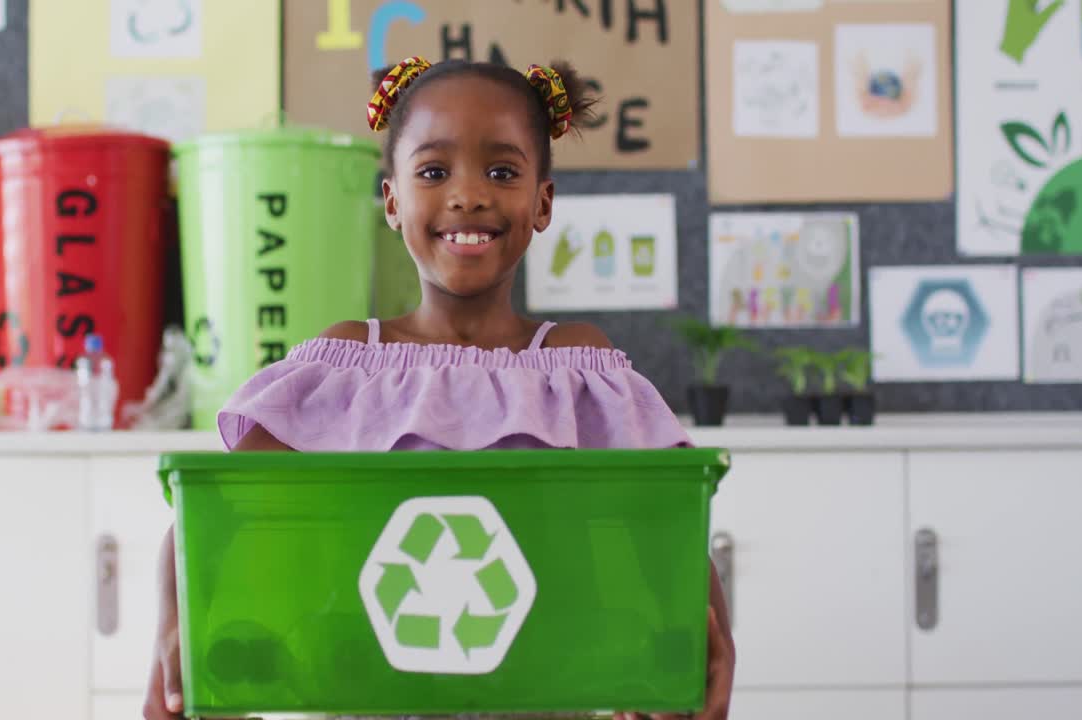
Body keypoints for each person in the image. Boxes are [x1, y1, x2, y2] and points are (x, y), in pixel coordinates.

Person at [143, 56, 734, 720]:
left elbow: (671, 525)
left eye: (502, 172)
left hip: (546, 702)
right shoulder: (344, 371)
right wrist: (175, 631)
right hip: (366, 698)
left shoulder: (579, 373)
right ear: (392, 201)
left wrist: (697, 646)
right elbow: (211, 516)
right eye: (432, 171)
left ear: (542, 202)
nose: (468, 194)